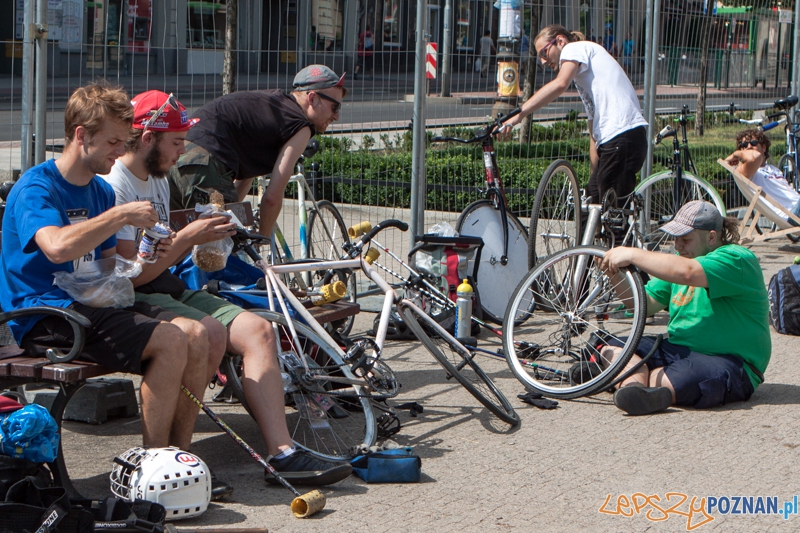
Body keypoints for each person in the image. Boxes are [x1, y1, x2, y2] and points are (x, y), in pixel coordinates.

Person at [103, 90, 353, 487]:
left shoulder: (159, 181)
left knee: (260, 330)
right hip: (134, 295)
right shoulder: (114, 188)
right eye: (177, 142)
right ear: (148, 138)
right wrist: (188, 238)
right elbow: (133, 279)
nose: (184, 152)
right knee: (205, 334)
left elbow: (161, 254)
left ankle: (282, 454)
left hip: (166, 286)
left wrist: (202, 234)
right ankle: (173, 465)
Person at [0, 83, 212, 459]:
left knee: (195, 334)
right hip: (46, 314)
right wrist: (120, 215)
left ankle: (181, 461)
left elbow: (110, 264)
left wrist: (149, 254)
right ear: (82, 135)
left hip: (90, 301)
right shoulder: (37, 187)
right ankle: (153, 464)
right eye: (114, 141)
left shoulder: (99, 191)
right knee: (171, 340)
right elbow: (57, 246)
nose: (122, 150)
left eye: (125, 140)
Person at [599, 200, 771, 415]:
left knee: (678, 379)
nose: (678, 246)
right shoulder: (683, 259)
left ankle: (630, 379)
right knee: (609, 345)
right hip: (680, 349)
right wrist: (614, 274)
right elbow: (641, 304)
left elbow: (687, 272)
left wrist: (632, 254)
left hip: (731, 360)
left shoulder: (736, 258)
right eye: (676, 238)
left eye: (686, 239)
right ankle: (634, 390)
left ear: (711, 236)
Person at [168, 64, 346, 237]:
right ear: (312, 98)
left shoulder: (272, 106)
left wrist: (230, 210)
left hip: (179, 153)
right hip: (207, 160)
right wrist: (263, 238)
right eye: (335, 107)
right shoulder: (300, 125)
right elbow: (272, 197)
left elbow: (246, 175)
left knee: (178, 245)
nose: (337, 116)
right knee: (217, 251)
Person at [501, 25, 648, 207]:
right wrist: (594, 174)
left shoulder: (574, 48)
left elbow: (560, 84)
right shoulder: (584, 77)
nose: (544, 62)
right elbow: (594, 128)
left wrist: (519, 114)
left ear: (560, 41)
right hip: (616, 140)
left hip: (624, 135)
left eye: (544, 53)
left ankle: (622, 234)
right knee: (591, 203)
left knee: (614, 218)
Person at [723, 128, 800, 225]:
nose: (749, 146)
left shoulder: (773, 169)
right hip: (792, 215)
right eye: (744, 145)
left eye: (753, 143)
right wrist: (736, 153)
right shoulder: (745, 171)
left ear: (764, 147)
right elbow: (755, 157)